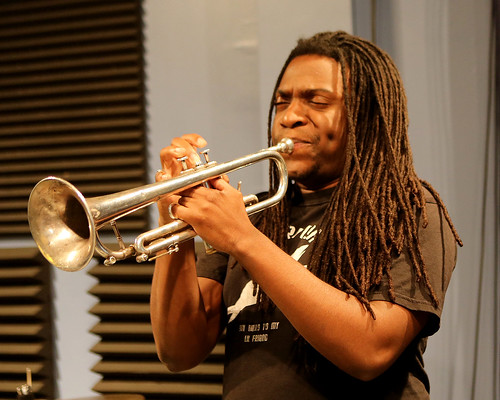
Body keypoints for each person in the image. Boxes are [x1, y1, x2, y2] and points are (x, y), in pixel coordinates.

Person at [150, 31, 462, 399]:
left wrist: (244, 240)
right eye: (282, 102)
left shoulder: (409, 209)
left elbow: (371, 350)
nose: (291, 116)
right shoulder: (254, 215)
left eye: (316, 100)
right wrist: (173, 219)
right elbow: (178, 351)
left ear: (366, 115)